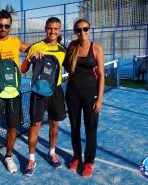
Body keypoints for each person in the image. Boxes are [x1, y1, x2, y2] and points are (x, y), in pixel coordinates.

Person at [0, 9, 30, 185]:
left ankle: (8, 156)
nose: (3, 28)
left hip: (13, 93)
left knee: (12, 128)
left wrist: (44, 46)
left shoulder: (16, 42)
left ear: (10, 26)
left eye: (6, 26)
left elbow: (31, 49)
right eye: (0, 25)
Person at [21, 17, 66, 177]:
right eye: (50, 28)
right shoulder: (36, 47)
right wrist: (31, 58)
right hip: (39, 93)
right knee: (35, 127)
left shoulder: (63, 50)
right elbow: (23, 69)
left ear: (59, 30)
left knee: (54, 125)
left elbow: (72, 68)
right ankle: (31, 159)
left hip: (57, 92)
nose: (52, 31)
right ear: (45, 29)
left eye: (56, 29)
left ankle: (52, 152)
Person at [63, 19, 104, 178]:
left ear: (90, 29)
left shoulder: (96, 48)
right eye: (79, 30)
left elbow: (101, 76)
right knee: (74, 127)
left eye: (85, 29)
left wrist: (99, 99)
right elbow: (65, 64)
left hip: (91, 94)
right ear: (75, 31)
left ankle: (89, 161)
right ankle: (76, 157)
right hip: (72, 94)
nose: (82, 32)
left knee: (90, 128)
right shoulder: (72, 47)